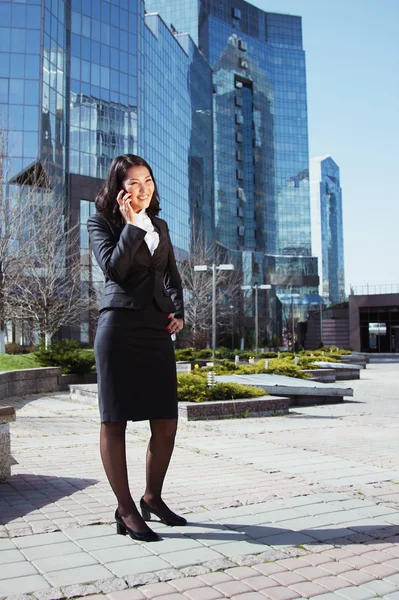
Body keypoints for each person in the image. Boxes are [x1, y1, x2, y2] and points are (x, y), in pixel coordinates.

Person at [87, 154, 186, 543]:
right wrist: (129, 226)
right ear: (119, 188)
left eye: (148, 181)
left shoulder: (160, 225)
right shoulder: (101, 223)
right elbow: (114, 269)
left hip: (156, 330)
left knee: (166, 422)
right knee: (115, 421)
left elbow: (172, 277)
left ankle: (152, 497)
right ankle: (125, 509)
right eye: (134, 183)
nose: (143, 189)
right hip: (119, 329)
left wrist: (178, 312)